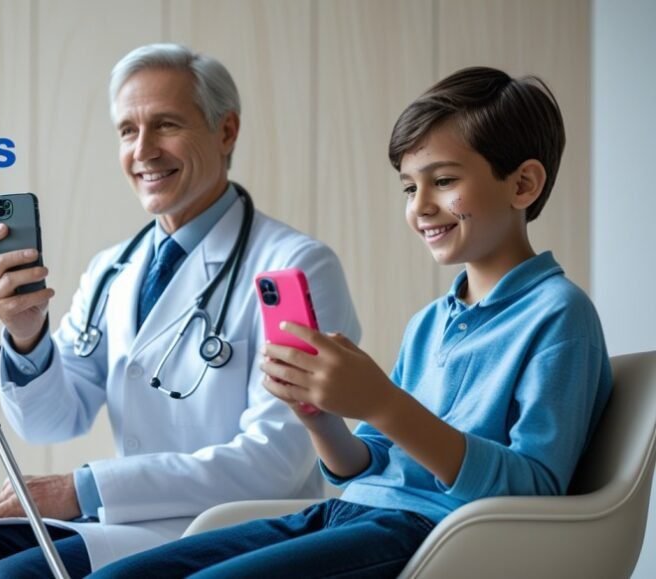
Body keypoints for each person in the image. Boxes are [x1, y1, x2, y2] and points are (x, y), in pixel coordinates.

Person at [89, 66, 613, 578]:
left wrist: (383, 403)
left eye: (444, 181)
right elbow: (368, 465)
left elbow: (535, 494)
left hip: (428, 536)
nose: (421, 207)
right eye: (409, 188)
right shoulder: (430, 322)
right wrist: (319, 417)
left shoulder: (559, 314)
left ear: (523, 184)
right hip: (345, 513)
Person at [0, 43, 360, 578]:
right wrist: (27, 332)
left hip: (229, 525)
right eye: (127, 131)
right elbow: (51, 419)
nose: (143, 151)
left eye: (166, 125)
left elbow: (277, 461)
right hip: (118, 517)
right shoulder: (114, 270)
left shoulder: (296, 266)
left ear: (226, 131)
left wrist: (84, 487)